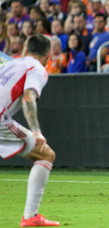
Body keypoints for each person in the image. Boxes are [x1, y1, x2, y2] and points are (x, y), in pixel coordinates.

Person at [0, 34, 60, 227]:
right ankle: (30, 216)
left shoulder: (10, 64)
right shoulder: (37, 69)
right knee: (45, 155)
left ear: (26, 49)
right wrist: (36, 131)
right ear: (48, 54)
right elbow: (28, 97)